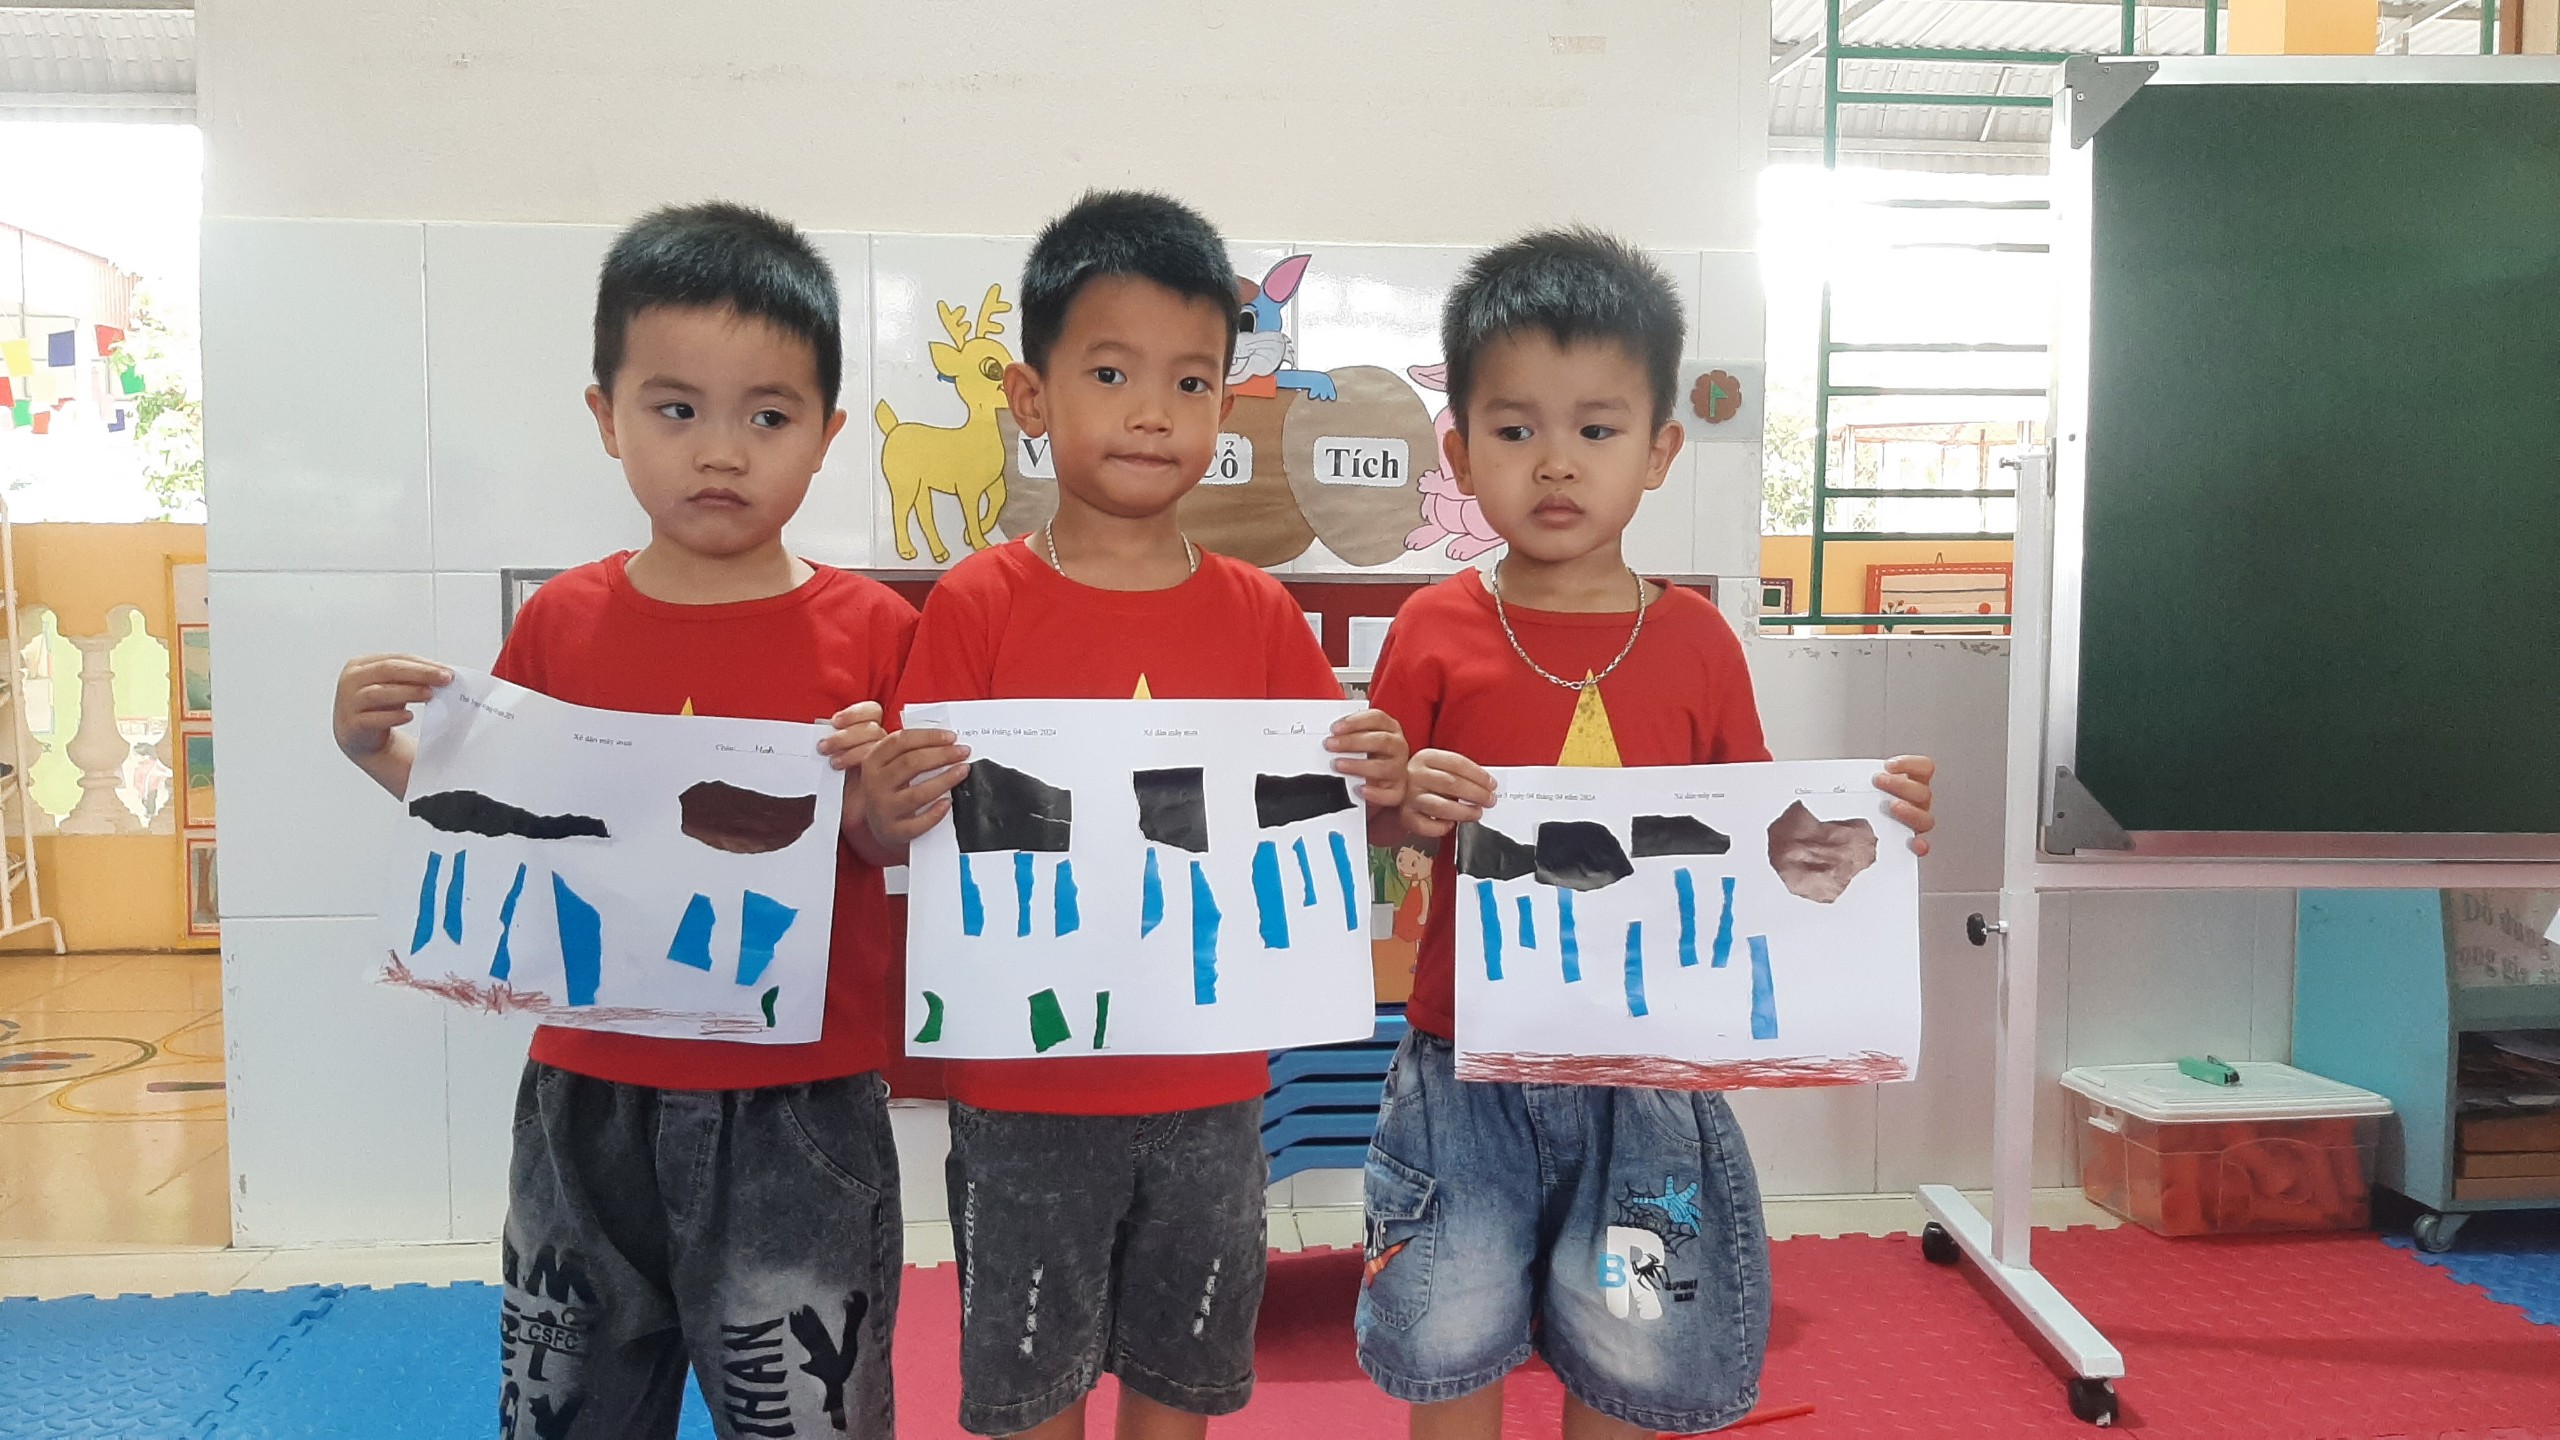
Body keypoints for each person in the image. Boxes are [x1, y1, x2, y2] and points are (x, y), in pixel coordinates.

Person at [328, 201, 915, 1440]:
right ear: (606, 417)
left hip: (800, 1101)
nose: (721, 452)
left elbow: (884, 841)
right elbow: (507, 822)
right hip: (586, 1095)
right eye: (676, 408)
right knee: (571, 1409)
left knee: (810, 1417)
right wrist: (379, 755)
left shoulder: (875, 634)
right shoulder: (562, 624)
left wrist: (880, 805)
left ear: (827, 436)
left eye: (769, 417)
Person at [1356, 228, 1940, 1439]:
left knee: (1629, 1334)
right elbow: (1370, 825)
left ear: (1659, 451)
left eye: (1596, 428)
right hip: (1465, 1059)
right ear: (1459, 453)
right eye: (1513, 430)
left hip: (1648, 1072)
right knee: (1451, 1331)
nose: (1555, 462)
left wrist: (1861, 837)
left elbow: (1759, 839)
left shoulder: (1696, 643)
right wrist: (1401, 799)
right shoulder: (1430, 629)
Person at [859, 189, 1410, 1440]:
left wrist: (1375, 789)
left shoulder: (1258, 614)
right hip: (1021, 1091)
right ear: (1030, 397)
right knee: (1031, 1391)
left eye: (1190, 381)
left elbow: (1334, 825)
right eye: (1110, 374)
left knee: (1180, 1380)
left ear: (1225, 405)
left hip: (1212, 1088)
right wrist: (884, 802)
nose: (1153, 413)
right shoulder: (976, 605)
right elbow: (904, 834)